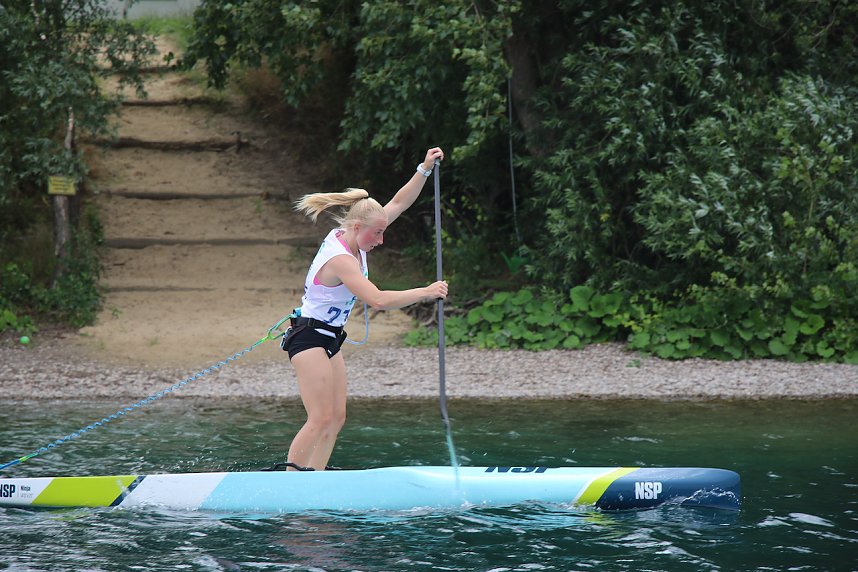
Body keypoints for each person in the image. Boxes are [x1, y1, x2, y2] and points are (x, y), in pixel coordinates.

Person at [281, 147, 448, 471]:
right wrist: (426, 292)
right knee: (319, 417)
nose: (381, 240)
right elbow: (378, 300)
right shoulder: (341, 258)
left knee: (337, 417)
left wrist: (424, 170)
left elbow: (398, 203)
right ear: (357, 227)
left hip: (330, 339)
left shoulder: (359, 233)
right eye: (378, 233)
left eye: (383, 231)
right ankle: (290, 482)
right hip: (307, 338)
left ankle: (314, 478)